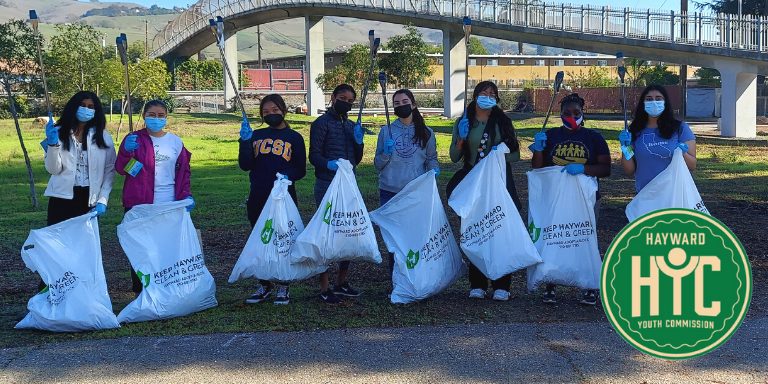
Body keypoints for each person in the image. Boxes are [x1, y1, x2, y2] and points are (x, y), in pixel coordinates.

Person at [531, 92, 611, 306]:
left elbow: (605, 168)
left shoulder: (594, 138)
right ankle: (550, 282)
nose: (572, 116)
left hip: (586, 199)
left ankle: (590, 286)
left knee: (585, 238)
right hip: (555, 198)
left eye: (577, 113)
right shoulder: (551, 136)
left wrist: (583, 168)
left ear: (583, 114)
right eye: (567, 113)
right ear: (560, 114)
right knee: (555, 238)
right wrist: (538, 149)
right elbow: (538, 168)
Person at [447, 80, 522, 302]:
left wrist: (499, 155)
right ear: (475, 95)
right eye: (484, 92)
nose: (488, 96)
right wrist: (461, 138)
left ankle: (502, 284)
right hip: (473, 182)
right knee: (476, 230)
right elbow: (453, 157)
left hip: (499, 182)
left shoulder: (503, 122)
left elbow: (516, 156)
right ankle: (477, 283)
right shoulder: (464, 121)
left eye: (492, 93)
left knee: (499, 230)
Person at [115, 99, 194, 296]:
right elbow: (121, 170)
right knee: (141, 250)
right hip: (140, 204)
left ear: (166, 117)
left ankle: (166, 291)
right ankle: (142, 292)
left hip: (168, 203)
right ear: (144, 116)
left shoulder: (175, 142)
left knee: (165, 249)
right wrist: (126, 151)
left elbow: (183, 172)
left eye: (161, 115)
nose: (156, 119)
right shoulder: (133, 139)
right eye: (151, 115)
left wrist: (185, 196)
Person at [237, 94, 306, 305]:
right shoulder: (255, 135)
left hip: (282, 197)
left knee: (282, 239)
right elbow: (245, 165)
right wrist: (244, 142)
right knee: (260, 240)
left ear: (283, 110)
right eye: (266, 112)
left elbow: (300, 169)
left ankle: (283, 285)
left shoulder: (294, 138)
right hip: (258, 193)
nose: (270, 115)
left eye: (274, 111)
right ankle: (263, 284)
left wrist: (287, 175)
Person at [373, 89, 439, 291]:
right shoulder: (386, 131)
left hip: (415, 194)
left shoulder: (426, 133)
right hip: (390, 192)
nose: (400, 105)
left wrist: (434, 169)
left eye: (404, 101)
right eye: (396, 102)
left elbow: (431, 158)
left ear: (413, 104)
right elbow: (377, 164)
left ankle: (416, 278)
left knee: (414, 238)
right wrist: (385, 152)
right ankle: (397, 282)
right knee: (394, 241)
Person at [308, 84, 364, 304]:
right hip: (326, 184)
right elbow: (314, 156)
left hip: (348, 187)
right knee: (325, 233)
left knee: (347, 232)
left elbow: (356, 159)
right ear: (333, 97)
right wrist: (329, 164)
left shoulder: (352, 126)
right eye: (342, 98)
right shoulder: (321, 124)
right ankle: (324, 286)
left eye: (350, 101)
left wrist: (359, 142)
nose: (346, 103)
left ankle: (341, 283)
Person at [44, 91, 116, 226]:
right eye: (82, 105)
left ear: (96, 111)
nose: (86, 109)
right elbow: (53, 169)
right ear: (73, 107)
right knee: (60, 244)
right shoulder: (57, 132)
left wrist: (103, 199)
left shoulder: (103, 136)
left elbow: (109, 170)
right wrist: (52, 144)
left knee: (85, 244)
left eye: (90, 107)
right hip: (61, 198)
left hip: (89, 198)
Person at [619, 84, 697, 193]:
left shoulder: (680, 128)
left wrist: (683, 153)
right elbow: (629, 169)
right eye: (649, 99)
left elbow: (692, 165)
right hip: (646, 194)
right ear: (643, 103)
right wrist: (625, 147)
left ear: (665, 102)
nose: (654, 102)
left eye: (658, 99)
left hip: (674, 194)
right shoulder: (635, 130)